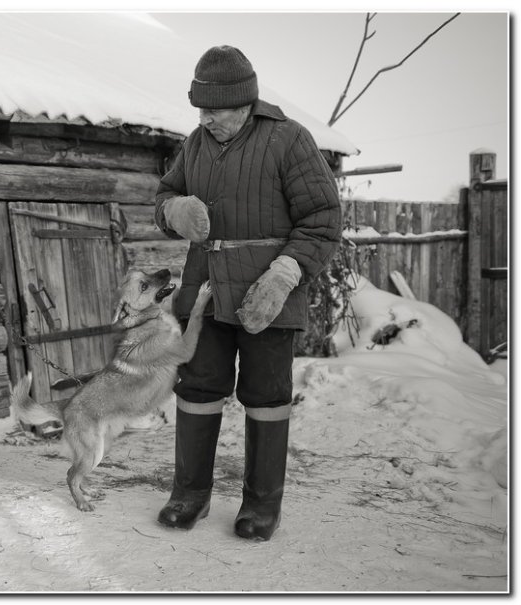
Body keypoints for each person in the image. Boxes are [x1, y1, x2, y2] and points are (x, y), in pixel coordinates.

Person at [154, 45, 342, 540]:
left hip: (267, 294)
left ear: (244, 104)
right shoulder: (195, 144)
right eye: (200, 109)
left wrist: (284, 274)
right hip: (206, 293)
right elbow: (163, 195)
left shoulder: (289, 140)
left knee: (266, 396)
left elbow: (322, 220)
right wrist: (175, 212)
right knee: (196, 389)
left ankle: (262, 505)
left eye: (214, 110)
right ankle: (189, 494)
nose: (205, 118)